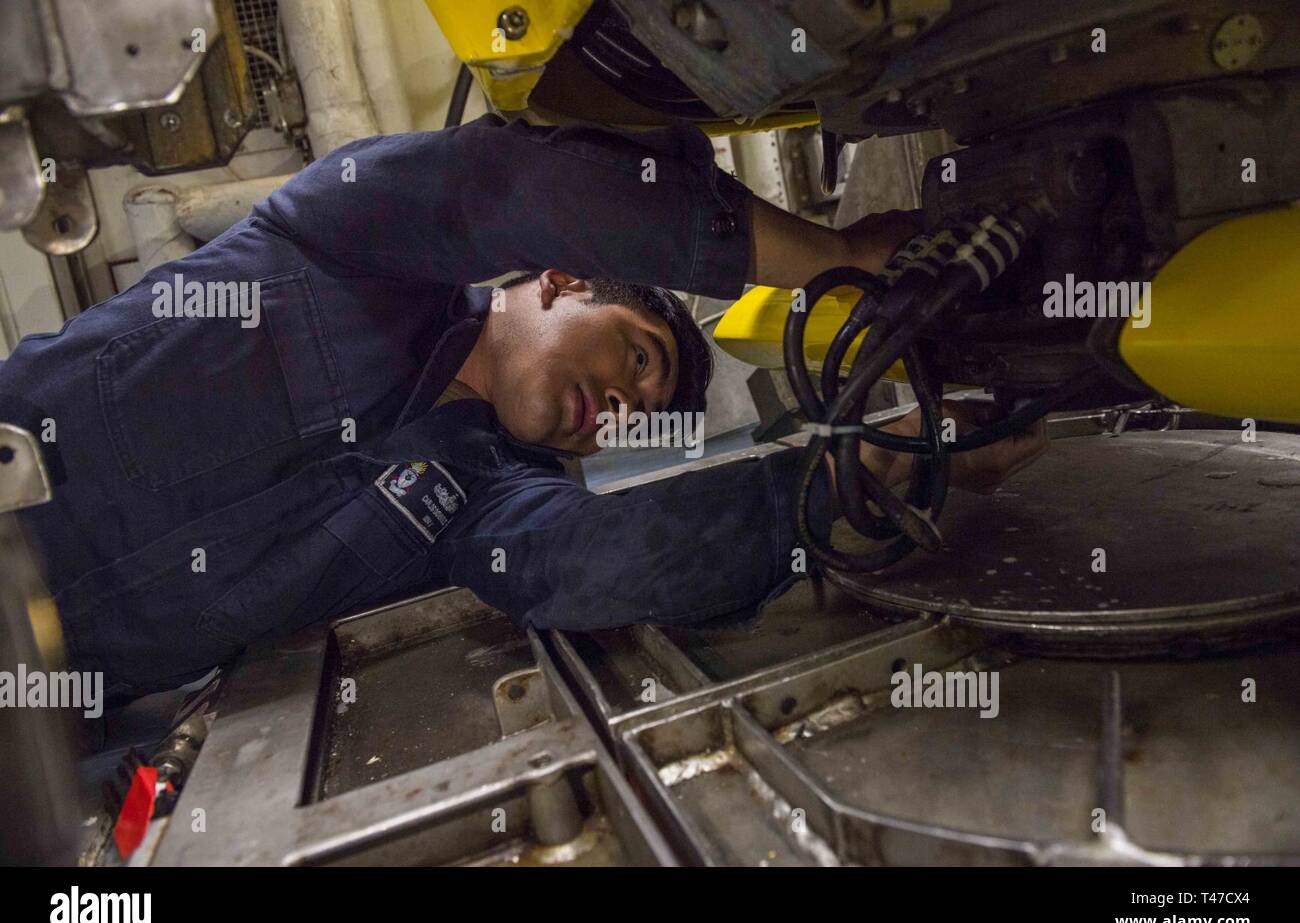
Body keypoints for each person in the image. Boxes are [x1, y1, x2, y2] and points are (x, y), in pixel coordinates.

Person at [0, 115, 1045, 702]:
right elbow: (502, 183)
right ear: (560, 279)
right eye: (639, 358)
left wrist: (856, 474)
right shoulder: (333, 243)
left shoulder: (479, 498)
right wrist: (838, 258)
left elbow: (590, 560)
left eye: (643, 418)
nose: (625, 408)